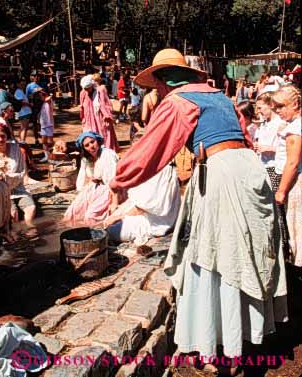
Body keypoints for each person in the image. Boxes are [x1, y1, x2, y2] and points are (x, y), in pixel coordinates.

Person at [108, 49, 287, 376]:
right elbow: (243, 138)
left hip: (221, 176)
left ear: (164, 80)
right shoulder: (221, 98)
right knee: (240, 255)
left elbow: (151, 149)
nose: (157, 92)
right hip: (249, 172)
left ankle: (214, 352)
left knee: (213, 261)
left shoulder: (177, 102)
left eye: (157, 86)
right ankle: (236, 345)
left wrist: (118, 179)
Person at [104, 132, 181, 245]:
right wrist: (117, 212)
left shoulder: (160, 169)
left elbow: (145, 206)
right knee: (110, 219)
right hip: (146, 212)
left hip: (157, 221)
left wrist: (120, 216)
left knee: (111, 231)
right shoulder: (147, 166)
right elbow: (137, 200)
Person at [254, 92, 289, 258]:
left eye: (261, 107)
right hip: (264, 166)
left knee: (276, 207)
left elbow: (285, 150)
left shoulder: (280, 124)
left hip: (274, 168)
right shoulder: (264, 124)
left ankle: (282, 243)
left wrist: (269, 148)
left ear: (270, 106)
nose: (259, 111)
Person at [63, 132, 119, 226]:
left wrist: (114, 202)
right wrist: (82, 192)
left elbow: (113, 180)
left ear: (97, 141)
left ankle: (95, 233)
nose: (91, 146)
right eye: (87, 145)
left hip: (109, 189)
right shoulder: (86, 158)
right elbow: (82, 176)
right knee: (73, 210)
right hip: (94, 187)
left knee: (91, 215)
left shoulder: (107, 155)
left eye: (92, 142)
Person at [273, 86, 302, 267]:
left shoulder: (295, 130)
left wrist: (281, 191)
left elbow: (292, 163)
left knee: (297, 227)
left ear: (295, 104)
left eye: (282, 106)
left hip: (296, 183)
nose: (278, 111)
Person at [0, 123, 37, 233]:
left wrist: (7, 177)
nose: (0, 140)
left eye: (2, 136)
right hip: (2, 192)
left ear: (7, 136)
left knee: (31, 208)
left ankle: (30, 228)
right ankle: (16, 234)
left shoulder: (16, 149)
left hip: (18, 187)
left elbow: (22, 171)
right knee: (13, 215)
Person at [37, 90, 54, 163]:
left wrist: (48, 96)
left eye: (41, 96)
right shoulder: (43, 103)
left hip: (49, 125)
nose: (40, 98)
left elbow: (49, 99)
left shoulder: (49, 102)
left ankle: (53, 155)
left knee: (50, 142)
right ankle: (46, 156)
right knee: (44, 141)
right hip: (43, 125)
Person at [14, 79, 32, 143]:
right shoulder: (18, 91)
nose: (23, 86)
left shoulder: (21, 91)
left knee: (23, 127)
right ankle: (22, 142)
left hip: (25, 112)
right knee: (24, 128)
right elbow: (21, 102)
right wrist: (29, 104)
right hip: (23, 112)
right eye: (21, 84)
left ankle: (21, 141)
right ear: (17, 84)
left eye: (24, 85)